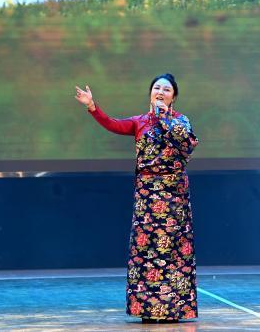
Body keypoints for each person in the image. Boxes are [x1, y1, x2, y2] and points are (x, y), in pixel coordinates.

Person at [75, 73, 198, 322]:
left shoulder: (181, 121)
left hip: (173, 196)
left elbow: (187, 144)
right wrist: (92, 107)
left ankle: (172, 310)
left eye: (166, 89)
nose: (160, 92)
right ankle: (147, 309)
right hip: (147, 196)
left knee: (171, 251)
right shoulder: (139, 122)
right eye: (156, 88)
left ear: (173, 97)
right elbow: (113, 124)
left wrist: (164, 117)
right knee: (146, 250)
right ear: (150, 93)